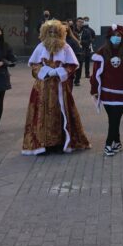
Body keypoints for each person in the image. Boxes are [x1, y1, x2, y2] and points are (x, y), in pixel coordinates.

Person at [22, 20, 90, 155]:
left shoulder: (65, 47)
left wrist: (60, 72)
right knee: (40, 114)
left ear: (60, 33)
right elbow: (34, 65)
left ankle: (60, 143)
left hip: (60, 87)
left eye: (55, 32)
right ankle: (42, 144)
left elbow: (72, 65)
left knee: (61, 113)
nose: (52, 34)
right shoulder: (41, 47)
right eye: (50, 32)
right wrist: (44, 71)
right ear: (45, 33)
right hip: (42, 88)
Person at [90, 24, 123, 157]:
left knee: (115, 119)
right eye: (113, 35)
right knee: (113, 119)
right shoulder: (101, 52)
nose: (116, 38)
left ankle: (108, 144)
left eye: (118, 35)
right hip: (107, 93)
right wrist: (94, 89)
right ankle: (115, 142)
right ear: (108, 37)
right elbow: (95, 73)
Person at [75, 17, 96, 82]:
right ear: (76, 22)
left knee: (82, 63)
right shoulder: (73, 31)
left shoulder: (87, 31)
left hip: (84, 50)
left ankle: (78, 79)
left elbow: (89, 40)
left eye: (82, 22)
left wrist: (81, 42)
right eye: (79, 22)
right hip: (74, 50)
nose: (80, 23)